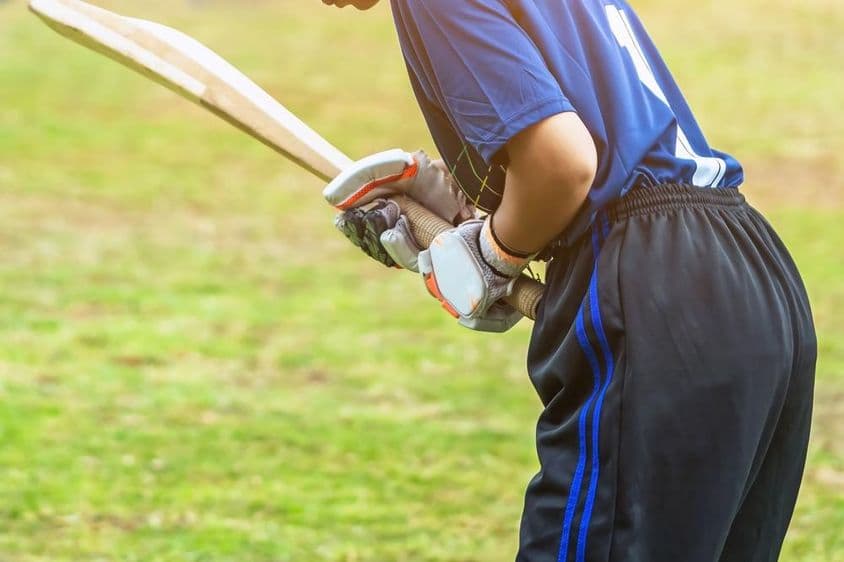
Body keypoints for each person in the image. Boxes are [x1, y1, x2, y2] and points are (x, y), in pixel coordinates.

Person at [320, 1, 817, 560]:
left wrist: (492, 256)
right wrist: (476, 216)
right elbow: (609, 152)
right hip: (745, 264)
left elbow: (563, 163)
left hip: (653, 283)